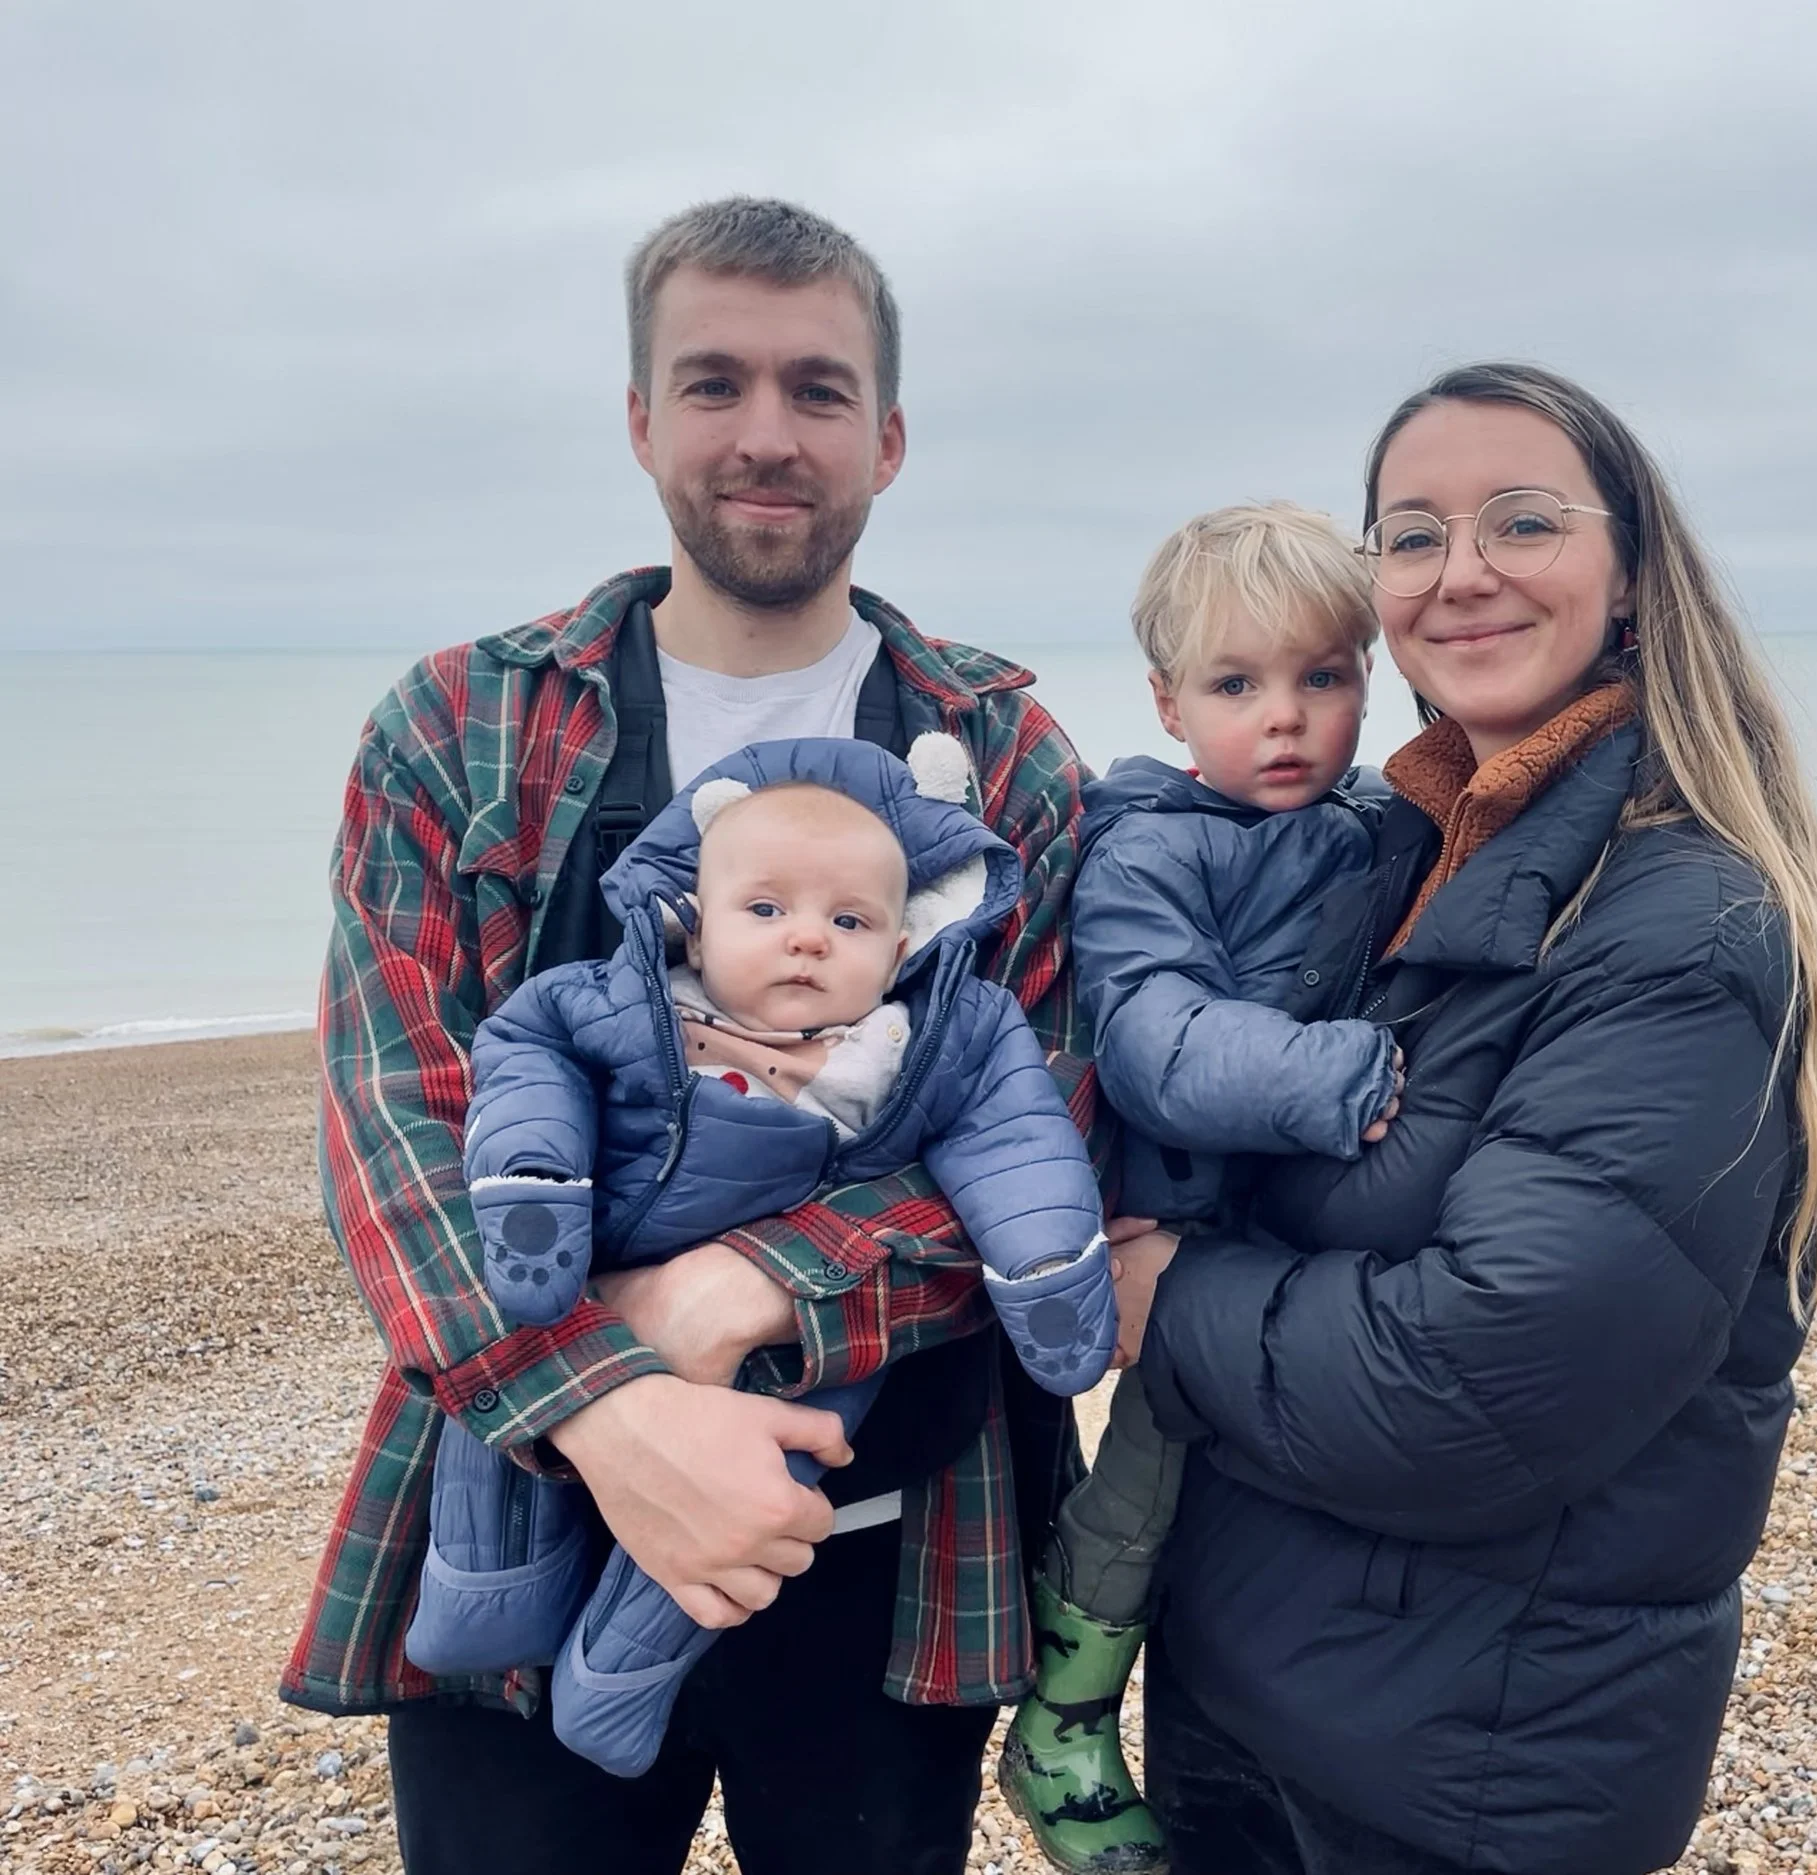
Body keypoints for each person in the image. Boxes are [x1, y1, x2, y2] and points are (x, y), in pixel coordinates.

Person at [279, 197, 1097, 1875]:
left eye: (816, 389)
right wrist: (612, 1409)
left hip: (890, 1544)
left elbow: (1047, 1122)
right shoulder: (463, 725)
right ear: (643, 419)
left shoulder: (999, 754)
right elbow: (398, 1121)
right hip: (525, 1501)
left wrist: (749, 1288)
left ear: (888, 436)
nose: (766, 436)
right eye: (714, 384)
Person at [1115, 363, 1817, 1875]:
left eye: (1521, 520)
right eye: (1410, 534)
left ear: (1631, 574)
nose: (1460, 570)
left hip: (1462, 1767)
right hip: (1262, 1693)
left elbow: (1475, 1379)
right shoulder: (1391, 850)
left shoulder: (1681, 914)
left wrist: (1165, 1291)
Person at [404, 739, 1115, 1782]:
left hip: (808, 1360)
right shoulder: (630, 998)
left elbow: (1020, 1141)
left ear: (909, 934)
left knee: (769, 1489)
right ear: (696, 909)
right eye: (766, 911)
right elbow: (520, 1059)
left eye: (850, 921)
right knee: (507, 1396)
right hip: (581, 1291)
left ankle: (619, 1679)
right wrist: (533, 1184)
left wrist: (1048, 1266)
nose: (807, 943)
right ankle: (482, 1589)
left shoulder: (916, 1041)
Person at [998, 504, 1404, 1873]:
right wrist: (1332, 1073)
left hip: (1287, 1232)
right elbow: (1157, 1039)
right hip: (1191, 1224)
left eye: (1322, 678)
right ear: (1170, 702)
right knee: (1147, 1470)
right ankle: (1062, 1706)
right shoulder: (1157, 846)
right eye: (1238, 685)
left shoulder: (1372, 820)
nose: (1284, 719)